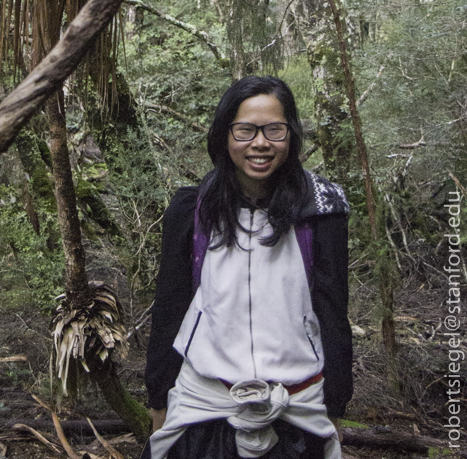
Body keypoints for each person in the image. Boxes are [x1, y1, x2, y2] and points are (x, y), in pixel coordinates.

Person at [143, 76, 353, 459]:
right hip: (204, 406)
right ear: (225, 135)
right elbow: (171, 306)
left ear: (291, 135)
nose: (260, 143)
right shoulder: (193, 210)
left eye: (274, 130)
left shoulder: (321, 211)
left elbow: (333, 311)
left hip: (297, 406)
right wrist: (159, 399)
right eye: (245, 130)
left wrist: (336, 404)